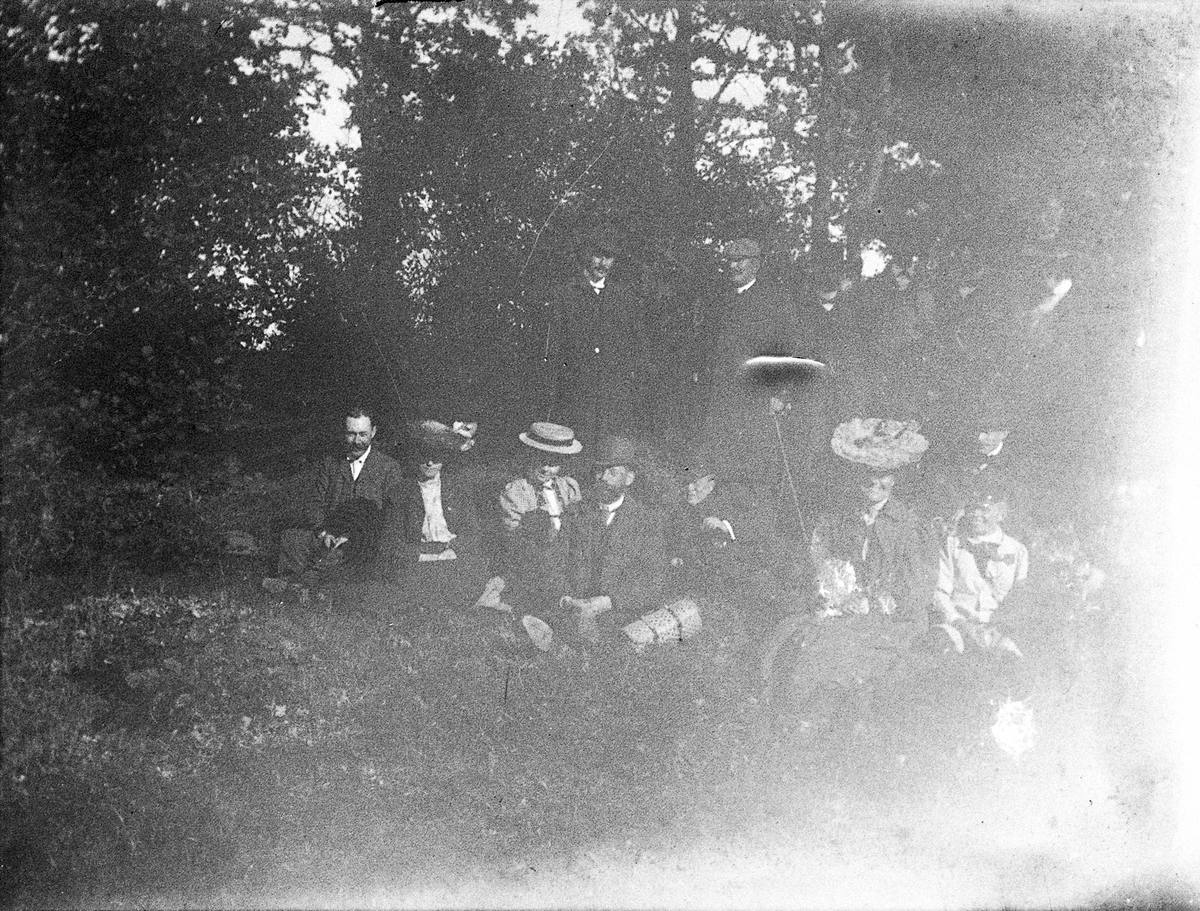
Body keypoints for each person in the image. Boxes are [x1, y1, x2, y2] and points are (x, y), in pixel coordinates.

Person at [697, 236, 828, 531]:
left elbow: (792, 350)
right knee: (721, 460)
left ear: (755, 264)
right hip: (723, 398)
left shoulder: (775, 301)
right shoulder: (719, 300)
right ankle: (719, 524)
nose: (734, 267)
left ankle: (753, 528)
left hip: (758, 398)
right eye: (730, 261)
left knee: (756, 465)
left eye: (740, 261)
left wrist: (781, 392)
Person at [265, 405, 404, 593]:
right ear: (343, 433)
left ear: (373, 432)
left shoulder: (389, 468)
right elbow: (315, 504)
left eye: (363, 434)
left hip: (365, 540)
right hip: (330, 536)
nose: (357, 441)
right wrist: (324, 532)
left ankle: (310, 588)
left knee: (346, 559)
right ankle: (295, 587)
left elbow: (392, 516)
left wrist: (355, 537)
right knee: (292, 539)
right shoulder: (330, 464)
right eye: (351, 434)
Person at [560, 435, 669, 642]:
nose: (603, 478)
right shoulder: (574, 513)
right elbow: (556, 561)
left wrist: (609, 601)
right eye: (599, 471)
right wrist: (566, 599)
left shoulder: (646, 521)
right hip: (571, 614)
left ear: (629, 478)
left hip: (621, 620)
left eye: (612, 472)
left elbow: (654, 580)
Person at [541, 236, 644, 443]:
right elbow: (553, 346)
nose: (603, 263)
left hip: (609, 393)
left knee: (603, 446)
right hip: (573, 388)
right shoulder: (565, 293)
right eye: (598, 255)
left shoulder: (623, 297)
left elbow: (632, 344)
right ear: (586, 256)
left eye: (609, 257)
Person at [390, 419, 487, 612]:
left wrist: (453, 550)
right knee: (409, 585)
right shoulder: (401, 492)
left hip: (451, 556)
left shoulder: (457, 489)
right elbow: (393, 542)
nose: (429, 463)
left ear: (444, 457)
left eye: (436, 457)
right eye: (424, 456)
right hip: (420, 559)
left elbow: (472, 532)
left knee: (469, 576)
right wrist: (423, 557)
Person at [934, 493, 1028, 657]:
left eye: (984, 509)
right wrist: (958, 622)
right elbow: (940, 591)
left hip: (999, 630)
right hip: (958, 627)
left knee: (1011, 658)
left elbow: (1019, 597)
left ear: (1000, 514)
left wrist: (999, 630)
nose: (976, 514)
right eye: (972, 509)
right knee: (942, 648)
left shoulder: (1017, 550)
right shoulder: (952, 544)